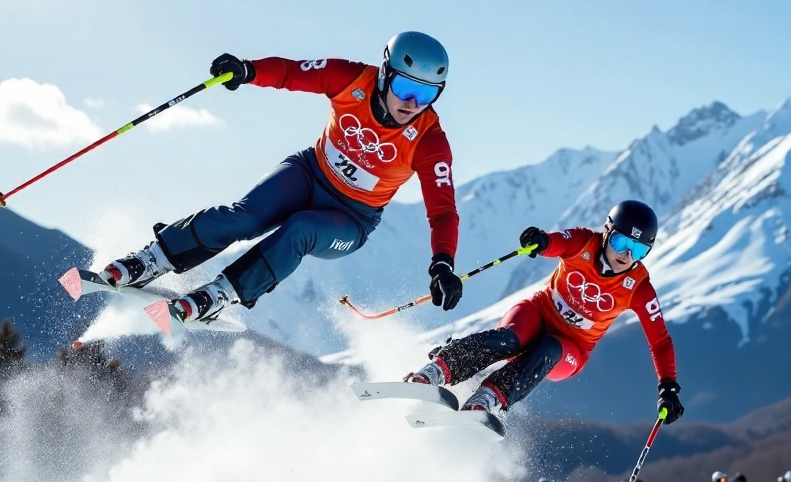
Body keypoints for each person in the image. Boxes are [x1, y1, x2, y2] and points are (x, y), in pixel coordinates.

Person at [100, 33, 462, 324]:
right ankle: (154, 258)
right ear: (385, 75)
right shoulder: (352, 79)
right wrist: (247, 70)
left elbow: (443, 211)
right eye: (405, 89)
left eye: (427, 94)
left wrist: (442, 263)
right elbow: (292, 73)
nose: (413, 104)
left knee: (301, 228)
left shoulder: (430, 141)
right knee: (245, 216)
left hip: (351, 219)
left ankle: (223, 293)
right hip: (309, 173)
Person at [404, 201, 682, 435]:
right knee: (508, 340)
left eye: (639, 250)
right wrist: (541, 241)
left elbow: (660, 341)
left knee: (546, 348)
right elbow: (558, 242)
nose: (626, 255)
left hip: (570, 348)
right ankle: (437, 369)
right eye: (622, 242)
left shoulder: (638, 287)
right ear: (607, 233)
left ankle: (486, 400)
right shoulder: (584, 242)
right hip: (538, 313)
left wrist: (668, 386)